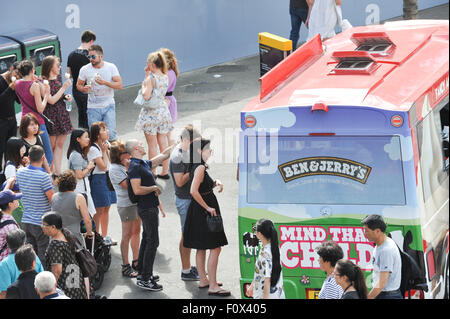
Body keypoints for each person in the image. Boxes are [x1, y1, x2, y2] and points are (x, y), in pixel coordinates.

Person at [183, 139, 229, 296]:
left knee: (201, 247)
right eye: (208, 149)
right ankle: (213, 285)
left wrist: (216, 182)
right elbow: (193, 191)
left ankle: (204, 279)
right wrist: (208, 207)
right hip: (204, 211)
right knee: (216, 247)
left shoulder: (197, 166)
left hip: (198, 211)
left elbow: (202, 185)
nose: (210, 152)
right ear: (199, 151)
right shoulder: (200, 167)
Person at [126, 139, 172, 291]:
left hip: (149, 207)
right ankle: (146, 278)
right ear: (135, 149)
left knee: (147, 240)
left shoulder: (143, 164)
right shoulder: (134, 167)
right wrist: (153, 187)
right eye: (140, 144)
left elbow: (164, 155)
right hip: (147, 208)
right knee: (153, 242)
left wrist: (179, 143)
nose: (142, 145)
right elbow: (137, 190)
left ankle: (143, 273)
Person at [169, 125, 201, 281]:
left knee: (189, 234)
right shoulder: (177, 156)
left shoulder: (187, 152)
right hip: (185, 200)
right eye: (196, 142)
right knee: (186, 236)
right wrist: (195, 169)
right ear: (187, 140)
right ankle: (186, 271)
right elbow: (180, 181)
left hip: (190, 199)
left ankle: (189, 267)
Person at [135, 51, 173, 178]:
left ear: (152, 63)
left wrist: (145, 82)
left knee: (152, 145)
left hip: (151, 113)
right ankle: (165, 171)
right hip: (163, 111)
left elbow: (146, 95)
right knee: (163, 142)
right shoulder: (165, 76)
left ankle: (153, 172)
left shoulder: (151, 78)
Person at [15, 145, 54, 265]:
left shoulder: (20, 172)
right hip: (41, 223)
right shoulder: (44, 177)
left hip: (26, 221)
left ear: (28, 157)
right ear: (43, 158)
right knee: (43, 254)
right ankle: (43, 280)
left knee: (31, 255)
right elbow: (52, 199)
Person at [77, 44, 122, 141]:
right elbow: (78, 85)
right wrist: (84, 89)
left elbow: (119, 85)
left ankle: (112, 155)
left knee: (111, 135)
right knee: (95, 137)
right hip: (93, 108)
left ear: (101, 56)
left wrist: (105, 82)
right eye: (89, 57)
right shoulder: (85, 69)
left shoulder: (111, 67)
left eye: (93, 56)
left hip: (108, 105)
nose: (91, 59)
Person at [109, 140, 140, 278]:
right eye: (125, 152)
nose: (128, 154)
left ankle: (136, 261)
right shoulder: (115, 169)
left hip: (136, 203)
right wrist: (130, 169)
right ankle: (125, 266)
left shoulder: (127, 164)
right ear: (118, 155)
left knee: (136, 232)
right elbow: (130, 186)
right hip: (126, 205)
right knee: (126, 235)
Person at [15, 59, 53, 168]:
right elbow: (40, 108)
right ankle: (43, 175)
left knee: (29, 152)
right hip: (37, 122)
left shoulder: (17, 83)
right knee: (47, 153)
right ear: (32, 70)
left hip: (24, 121)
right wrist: (46, 94)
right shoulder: (34, 86)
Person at [40, 55, 73, 177]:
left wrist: (66, 96)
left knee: (60, 145)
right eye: (57, 65)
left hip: (62, 113)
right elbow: (51, 100)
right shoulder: (42, 81)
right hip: (51, 116)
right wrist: (64, 87)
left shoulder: (59, 77)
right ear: (50, 67)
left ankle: (58, 172)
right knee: (51, 146)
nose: (59, 67)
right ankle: (51, 171)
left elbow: (58, 95)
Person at [42, 212, 88, 299]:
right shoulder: (66, 234)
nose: (42, 227)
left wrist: (50, 289)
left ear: (53, 227)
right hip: (76, 282)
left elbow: (56, 271)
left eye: (44, 225)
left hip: (66, 286)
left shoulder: (55, 244)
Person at [87, 121, 117, 241]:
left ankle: (105, 235)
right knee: (99, 210)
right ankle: (97, 237)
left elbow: (112, 161)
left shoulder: (105, 144)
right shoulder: (93, 149)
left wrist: (107, 149)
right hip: (98, 180)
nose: (107, 131)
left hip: (108, 177)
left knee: (107, 207)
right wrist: (104, 151)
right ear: (97, 134)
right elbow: (103, 166)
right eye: (104, 130)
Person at [362, 214, 402, 299]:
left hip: (388, 295)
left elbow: (381, 283)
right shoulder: (381, 244)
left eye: (366, 230)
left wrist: (369, 297)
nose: (365, 234)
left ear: (377, 231)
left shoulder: (386, 250)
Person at [51, 170, 94, 247]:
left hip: (57, 238)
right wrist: (89, 233)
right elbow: (87, 220)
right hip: (74, 239)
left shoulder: (54, 197)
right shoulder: (79, 197)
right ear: (74, 183)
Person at [0, 229, 44, 299]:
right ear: (24, 243)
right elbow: (42, 279)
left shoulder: (4, 264)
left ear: (8, 245)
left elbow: (4, 293)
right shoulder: (34, 257)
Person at [247, 219, 285, 299]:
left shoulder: (265, 254)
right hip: (278, 294)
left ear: (259, 234)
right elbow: (261, 272)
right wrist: (252, 285)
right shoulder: (275, 249)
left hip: (266, 295)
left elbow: (267, 279)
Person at [67, 30, 96, 129]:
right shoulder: (90, 56)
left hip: (76, 89)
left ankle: (81, 135)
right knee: (90, 115)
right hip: (87, 89)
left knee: (81, 113)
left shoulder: (71, 55)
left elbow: (68, 74)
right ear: (91, 41)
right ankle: (89, 137)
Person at [67, 128, 96, 217]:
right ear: (78, 139)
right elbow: (79, 175)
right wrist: (88, 167)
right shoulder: (76, 155)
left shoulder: (79, 153)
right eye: (86, 137)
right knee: (85, 214)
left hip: (82, 186)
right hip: (79, 187)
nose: (88, 139)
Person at [0, 62, 20, 172]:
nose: (17, 77)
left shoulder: (15, 83)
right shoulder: (1, 80)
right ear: (11, 68)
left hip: (12, 121)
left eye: (19, 76)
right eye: (16, 73)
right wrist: (9, 88)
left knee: (11, 151)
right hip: (1, 122)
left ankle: (9, 175)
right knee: (0, 150)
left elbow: (18, 101)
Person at [2, 137, 27, 226]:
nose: (24, 149)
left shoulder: (19, 162)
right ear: (15, 150)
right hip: (16, 202)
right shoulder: (10, 167)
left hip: (22, 199)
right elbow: (12, 185)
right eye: (21, 147)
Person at [160, 48, 179, 144]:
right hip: (169, 100)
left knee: (168, 131)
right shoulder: (171, 72)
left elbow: (162, 89)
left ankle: (172, 150)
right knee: (168, 130)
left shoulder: (167, 73)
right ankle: (171, 149)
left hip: (166, 101)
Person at [0, 186, 21, 262]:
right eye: (15, 199)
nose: (17, 200)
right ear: (10, 204)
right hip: (5, 263)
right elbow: (19, 246)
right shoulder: (10, 226)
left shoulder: (3, 216)